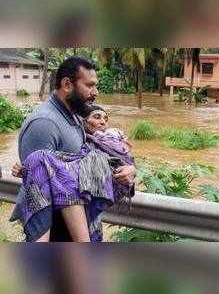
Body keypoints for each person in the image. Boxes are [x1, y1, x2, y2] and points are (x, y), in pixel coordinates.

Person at [9, 57, 136, 242]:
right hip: (58, 232)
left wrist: (127, 170)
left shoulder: (76, 117)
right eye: (90, 86)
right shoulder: (44, 124)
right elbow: (35, 190)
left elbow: (89, 165)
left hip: (80, 225)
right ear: (67, 84)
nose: (95, 92)